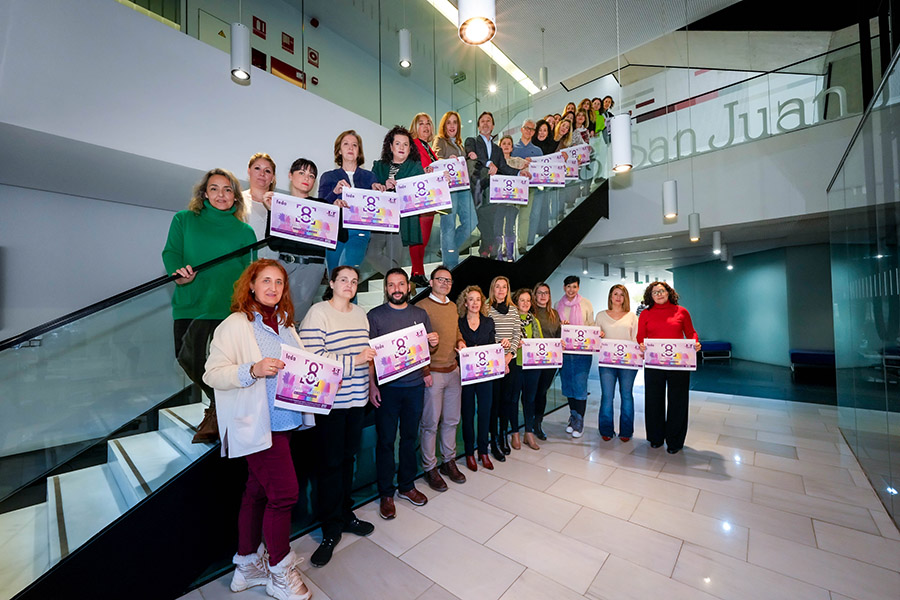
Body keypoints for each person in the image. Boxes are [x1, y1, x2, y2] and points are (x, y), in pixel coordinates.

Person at [203, 259, 314, 600]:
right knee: (284, 494)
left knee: (257, 492)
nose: (273, 288)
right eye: (266, 281)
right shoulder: (235, 325)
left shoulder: (285, 324)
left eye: (279, 282)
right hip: (258, 425)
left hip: (285, 422)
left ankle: (247, 567)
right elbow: (212, 373)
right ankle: (280, 574)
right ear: (251, 285)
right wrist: (252, 369)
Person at [162, 168, 256, 444]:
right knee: (187, 358)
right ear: (204, 194)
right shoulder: (184, 220)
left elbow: (251, 272)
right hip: (192, 303)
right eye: (214, 188)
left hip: (230, 309)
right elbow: (171, 252)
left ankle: (217, 411)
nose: (221, 194)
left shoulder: (245, 231)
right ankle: (220, 403)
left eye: (227, 189)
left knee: (224, 365)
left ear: (236, 197)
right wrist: (178, 274)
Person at [298, 265, 378, 568]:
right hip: (330, 405)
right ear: (331, 283)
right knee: (329, 465)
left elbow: (368, 356)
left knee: (347, 460)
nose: (349, 284)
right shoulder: (318, 313)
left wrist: (369, 379)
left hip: (356, 401)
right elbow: (312, 358)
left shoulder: (360, 314)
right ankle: (330, 527)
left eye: (354, 281)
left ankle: (345, 514)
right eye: (343, 279)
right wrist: (354, 360)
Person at [367, 268, 438, 519]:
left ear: (409, 287)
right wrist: (372, 385)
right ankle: (386, 493)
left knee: (409, 438)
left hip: (414, 387)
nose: (396, 289)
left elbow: (426, 351)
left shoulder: (420, 314)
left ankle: (407, 485)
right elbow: (370, 357)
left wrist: (432, 343)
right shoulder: (374, 316)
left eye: (400, 284)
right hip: (387, 389)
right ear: (386, 288)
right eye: (391, 285)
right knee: (386, 441)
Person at [417, 265, 466, 491]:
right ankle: (430, 467)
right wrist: (425, 371)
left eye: (448, 280)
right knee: (430, 423)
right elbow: (416, 344)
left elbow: (455, 332)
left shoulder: (453, 306)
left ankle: (449, 461)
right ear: (431, 282)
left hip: (453, 371)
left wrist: (460, 341)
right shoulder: (421, 308)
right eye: (440, 279)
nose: (445, 283)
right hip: (433, 374)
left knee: (452, 420)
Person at [637, 281, 700, 454]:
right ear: (650, 296)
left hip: (678, 364)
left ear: (668, 292)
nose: (659, 294)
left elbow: (691, 332)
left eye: (661, 291)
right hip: (654, 363)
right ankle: (655, 437)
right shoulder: (645, 314)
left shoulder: (681, 311)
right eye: (655, 292)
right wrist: (641, 344)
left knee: (678, 401)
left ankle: (675, 441)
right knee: (653, 400)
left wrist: (694, 343)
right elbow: (640, 336)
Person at [318, 130, 385, 273]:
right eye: (346, 144)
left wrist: (378, 191)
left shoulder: (369, 177)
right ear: (339, 150)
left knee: (347, 271)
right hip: (335, 231)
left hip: (360, 230)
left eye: (355, 145)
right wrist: (334, 193)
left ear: (359, 151)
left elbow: (378, 208)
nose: (350, 148)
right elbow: (320, 208)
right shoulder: (328, 177)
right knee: (335, 276)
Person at [465, 111, 529, 260]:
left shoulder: (498, 149)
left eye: (488, 121)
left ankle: (487, 251)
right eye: (482, 121)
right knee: (482, 223)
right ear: (478, 126)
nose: (485, 123)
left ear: (493, 126)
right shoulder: (472, 141)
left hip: (493, 193)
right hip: (477, 190)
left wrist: (519, 173)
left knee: (492, 225)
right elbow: (472, 156)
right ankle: (486, 248)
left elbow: (504, 167)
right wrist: (489, 163)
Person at [369, 126, 425, 280]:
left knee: (394, 259)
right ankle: (401, 279)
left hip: (402, 222)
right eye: (398, 143)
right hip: (380, 220)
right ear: (390, 146)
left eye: (406, 144)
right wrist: (382, 186)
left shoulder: (416, 167)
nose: (402, 147)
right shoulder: (378, 166)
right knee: (371, 254)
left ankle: (394, 287)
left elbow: (422, 192)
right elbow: (370, 190)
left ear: (410, 148)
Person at [280, 158, 329, 323]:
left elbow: (332, 240)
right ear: (290, 175)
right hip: (284, 265)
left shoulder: (322, 206)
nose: (306, 178)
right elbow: (274, 242)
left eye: (311, 175)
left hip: (311, 267)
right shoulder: (281, 204)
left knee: (296, 318)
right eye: (301, 173)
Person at [456, 285, 496, 470]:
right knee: (468, 413)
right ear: (465, 302)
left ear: (482, 302)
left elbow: (492, 346)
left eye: (478, 299)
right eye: (470, 299)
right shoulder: (459, 323)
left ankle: (483, 451)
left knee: (485, 412)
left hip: (485, 375)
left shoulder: (488, 322)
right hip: (466, 376)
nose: (474, 303)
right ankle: (469, 453)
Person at [432, 110, 478, 267]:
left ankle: (446, 249)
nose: (452, 125)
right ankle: (450, 265)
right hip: (447, 189)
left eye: (455, 122)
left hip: (463, 187)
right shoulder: (440, 140)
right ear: (444, 125)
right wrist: (447, 160)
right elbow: (435, 159)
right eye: (449, 122)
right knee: (448, 226)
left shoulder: (459, 144)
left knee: (471, 222)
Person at [595, 285, 639, 442]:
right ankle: (606, 430)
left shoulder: (632, 317)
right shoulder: (601, 315)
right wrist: (598, 335)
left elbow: (636, 339)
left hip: (628, 363)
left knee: (626, 395)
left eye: (622, 294)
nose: (618, 297)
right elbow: (594, 339)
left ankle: (626, 431)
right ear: (610, 296)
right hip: (607, 362)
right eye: (615, 294)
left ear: (625, 297)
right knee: (607, 396)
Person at [555, 275, 595, 438]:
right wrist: (561, 326)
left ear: (578, 288)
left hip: (582, 353)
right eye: (568, 286)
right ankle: (573, 417)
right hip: (565, 352)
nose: (571, 290)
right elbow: (556, 328)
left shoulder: (586, 304)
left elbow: (591, 325)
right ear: (564, 287)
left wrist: (597, 334)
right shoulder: (558, 304)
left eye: (574, 287)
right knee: (568, 386)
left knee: (580, 385)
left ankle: (580, 421)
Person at [487, 276, 521, 459]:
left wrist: (509, 356)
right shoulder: (486, 309)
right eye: (497, 286)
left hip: (510, 361)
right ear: (493, 289)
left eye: (504, 287)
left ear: (508, 290)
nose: (501, 290)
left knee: (507, 401)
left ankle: (503, 436)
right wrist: (499, 346)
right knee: (494, 402)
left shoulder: (514, 310)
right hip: (493, 361)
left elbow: (517, 334)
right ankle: (493, 439)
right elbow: (485, 334)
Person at [408, 113, 440, 287]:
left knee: (424, 239)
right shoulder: (413, 145)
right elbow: (412, 167)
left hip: (430, 199)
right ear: (415, 127)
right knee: (419, 238)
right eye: (421, 123)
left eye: (428, 123)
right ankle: (418, 273)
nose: (426, 126)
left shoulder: (428, 148)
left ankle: (416, 273)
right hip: (420, 198)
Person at [510, 288, 543, 451]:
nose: (525, 303)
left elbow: (541, 342)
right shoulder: (511, 320)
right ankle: (515, 433)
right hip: (516, 365)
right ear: (516, 302)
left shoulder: (534, 321)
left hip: (533, 366)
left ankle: (528, 432)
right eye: (522, 300)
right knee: (514, 400)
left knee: (530, 400)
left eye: (528, 300)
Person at [531, 282, 560, 440]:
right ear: (535, 295)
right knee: (531, 393)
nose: (543, 296)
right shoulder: (530, 312)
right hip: (532, 361)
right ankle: (528, 424)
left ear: (549, 296)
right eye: (540, 292)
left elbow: (558, 336)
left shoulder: (554, 314)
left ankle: (537, 423)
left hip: (549, 362)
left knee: (542, 392)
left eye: (546, 293)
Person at [496, 136, 527, 262]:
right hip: (498, 202)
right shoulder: (495, 162)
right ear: (499, 146)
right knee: (498, 227)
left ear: (512, 147)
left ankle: (510, 254)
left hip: (513, 202)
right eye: (504, 143)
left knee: (510, 226)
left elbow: (527, 171)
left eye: (509, 143)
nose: (506, 146)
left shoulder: (518, 161)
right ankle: (499, 253)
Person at [243, 153, 277, 256]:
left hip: (273, 263)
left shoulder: (280, 205)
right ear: (249, 171)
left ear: (273, 178)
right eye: (257, 168)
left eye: (267, 171)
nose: (262, 174)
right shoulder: (237, 200)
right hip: (246, 262)